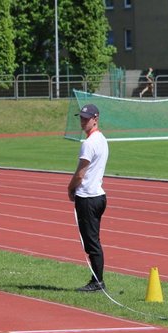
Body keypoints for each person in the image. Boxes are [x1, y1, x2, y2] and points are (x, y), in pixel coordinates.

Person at [68, 104, 109, 292]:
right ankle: (96, 279)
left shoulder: (89, 143)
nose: (83, 121)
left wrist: (70, 188)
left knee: (91, 241)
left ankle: (98, 281)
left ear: (95, 118)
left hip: (88, 197)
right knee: (93, 239)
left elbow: (80, 173)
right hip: (98, 195)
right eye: (82, 118)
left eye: (87, 118)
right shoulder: (102, 139)